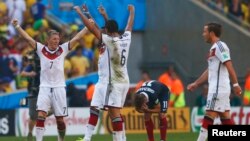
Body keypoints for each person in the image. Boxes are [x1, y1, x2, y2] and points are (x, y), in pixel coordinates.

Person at [12, 17, 89, 141]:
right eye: (54, 39)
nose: (56, 41)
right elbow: (27, 38)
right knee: (41, 115)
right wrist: (17, 27)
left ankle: (61, 139)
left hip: (59, 88)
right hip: (44, 88)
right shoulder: (41, 49)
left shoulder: (63, 49)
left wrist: (87, 27)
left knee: (60, 121)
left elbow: (77, 38)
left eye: (58, 39)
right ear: (47, 40)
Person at [74, 4, 135, 141]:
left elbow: (91, 28)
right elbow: (129, 25)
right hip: (118, 80)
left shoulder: (109, 41)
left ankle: (120, 139)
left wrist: (80, 13)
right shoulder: (125, 37)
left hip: (112, 82)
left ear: (107, 30)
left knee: (114, 113)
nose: (102, 30)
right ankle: (87, 138)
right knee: (96, 107)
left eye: (104, 29)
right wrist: (132, 11)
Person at [187, 22, 242, 141]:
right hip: (218, 89)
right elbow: (210, 70)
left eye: (205, 31)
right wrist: (196, 83)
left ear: (211, 33)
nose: (203, 34)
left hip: (218, 90)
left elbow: (229, 65)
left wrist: (236, 84)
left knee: (208, 118)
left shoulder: (219, 46)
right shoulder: (213, 49)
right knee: (226, 119)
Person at [20, 51, 40, 141]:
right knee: (33, 116)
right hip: (33, 92)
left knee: (54, 109)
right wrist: (30, 74)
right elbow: (22, 73)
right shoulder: (32, 66)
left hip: (45, 91)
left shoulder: (47, 65)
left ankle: (41, 114)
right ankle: (30, 132)